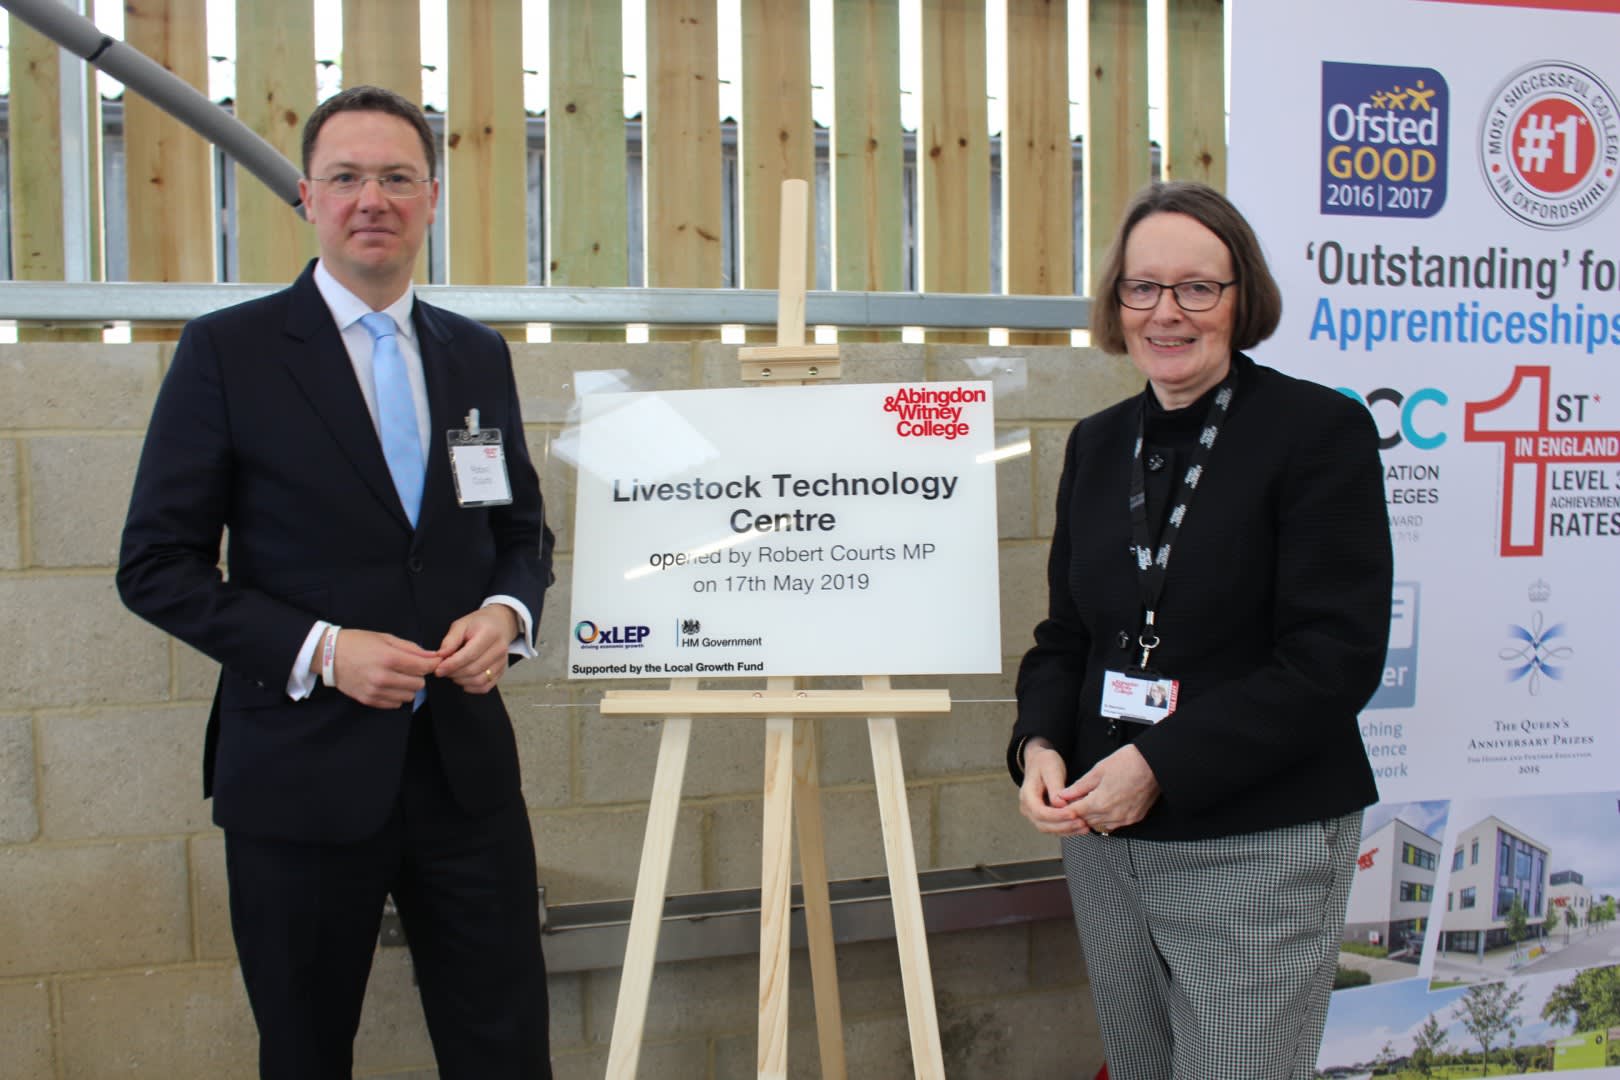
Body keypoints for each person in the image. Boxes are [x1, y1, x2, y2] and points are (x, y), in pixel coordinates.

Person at [118, 85, 554, 1079]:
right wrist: (323, 649)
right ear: (308, 199)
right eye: (347, 177)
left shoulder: (475, 356)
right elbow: (156, 567)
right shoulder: (228, 353)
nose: (373, 199)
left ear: (431, 199)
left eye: (397, 178)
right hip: (299, 778)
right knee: (308, 1049)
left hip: (464, 780)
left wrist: (508, 609)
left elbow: (522, 531)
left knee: (505, 1046)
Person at [1009, 180, 1391, 1080]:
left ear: (1240, 297)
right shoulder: (1097, 444)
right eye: (1143, 288)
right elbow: (1067, 635)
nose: (1166, 313)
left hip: (1257, 844)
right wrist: (1036, 747)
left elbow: (1332, 662)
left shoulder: (1318, 431)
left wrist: (1160, 765)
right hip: (1107, 843)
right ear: (1117, 303)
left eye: (1196, 288)